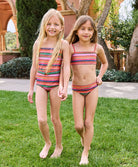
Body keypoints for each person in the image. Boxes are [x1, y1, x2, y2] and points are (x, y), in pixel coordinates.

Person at [27, 8, 70, 159]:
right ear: (44, 25)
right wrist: (31, 88)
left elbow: (66, 67)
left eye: (56, 24)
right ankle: (47, 143)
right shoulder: (38, 43)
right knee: (41, 119)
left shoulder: (63, 44)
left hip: (55, 86)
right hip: (41, 85)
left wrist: (64, 87)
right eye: (49, 24)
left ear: (61, 27)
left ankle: (59, 146)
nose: (52, 27)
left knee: (54, 118)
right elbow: (34, 67)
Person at [66, 15, 108, 165]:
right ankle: (84, 138)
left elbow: (104, 63)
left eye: (90, 29)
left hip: (92, 88)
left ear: (93, 32)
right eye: (83, 29)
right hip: (77, 89)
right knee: (78, 125)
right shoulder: (71, 48)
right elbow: (64, 67)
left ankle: (85, 152)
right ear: (76, 31)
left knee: (88, 122)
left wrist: (99, 76)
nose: (86, 32)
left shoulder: (97, 48)